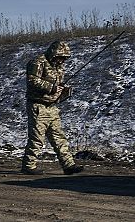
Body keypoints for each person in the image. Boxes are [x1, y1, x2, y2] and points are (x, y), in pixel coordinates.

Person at [21, 40, 84, 175]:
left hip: (52, 107)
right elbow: (32, 80)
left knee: (58, 137)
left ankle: (68, 165)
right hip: (38, 106)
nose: (62, 60)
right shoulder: (37, 62)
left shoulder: (59, 67)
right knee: (37, 138)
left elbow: (57, 83)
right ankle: (28, 166)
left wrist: (62, 90)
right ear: (54, 53)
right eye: (60, 57)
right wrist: (52, 88)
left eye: (64, 58)